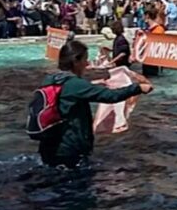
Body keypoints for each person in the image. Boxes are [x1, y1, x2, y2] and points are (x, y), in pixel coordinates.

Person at [37, 40, 153, 168]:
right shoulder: (76, 85)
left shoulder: (50, 79)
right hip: (70, 151)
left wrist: (92, 85)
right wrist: (138, 88)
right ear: (75, 61)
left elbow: (67, 94)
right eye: (85, 59)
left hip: (49, 146)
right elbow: (111, 96)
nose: (87, 64)